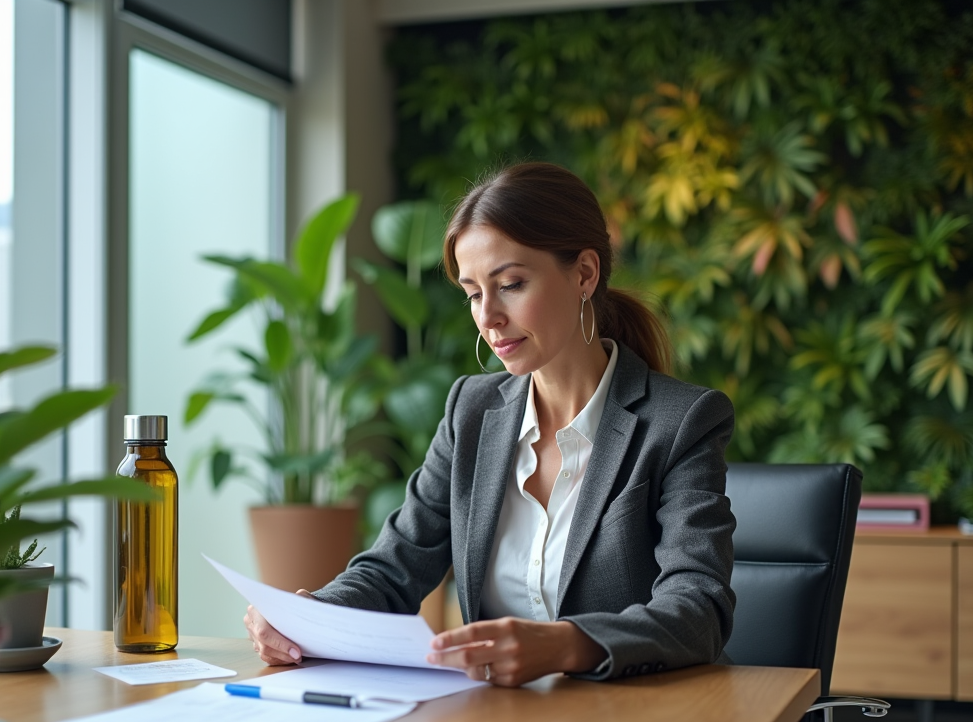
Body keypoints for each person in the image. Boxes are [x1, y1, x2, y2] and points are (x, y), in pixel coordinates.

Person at [245, 162, 737, 688]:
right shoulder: (472, 411)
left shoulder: (680, 422)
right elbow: (393, 569)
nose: (488, 317)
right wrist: (312, 615)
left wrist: (566, 644)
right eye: (474, 293)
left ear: (585, 275)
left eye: (511, 285)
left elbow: (698, 608)